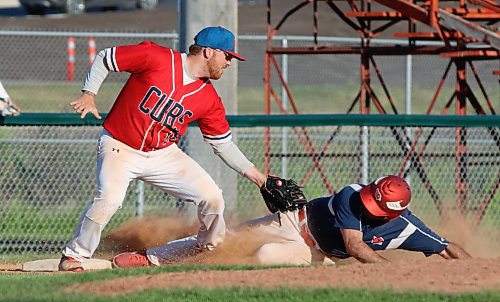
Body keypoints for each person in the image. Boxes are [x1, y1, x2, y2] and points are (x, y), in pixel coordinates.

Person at [59, 26, 275, 271]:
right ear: (208, 52)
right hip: (120, 145)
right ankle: (74, 255)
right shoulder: (156, 57)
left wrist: (260, 179)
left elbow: (222, 143)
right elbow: (106, 57)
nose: (229, 62)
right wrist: (89, 94)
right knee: (109, 199)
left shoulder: (209, 99)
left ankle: (186, 253)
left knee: (212, 198)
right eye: (227, 56)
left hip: (162, 154)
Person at [112, 175, 471, 268]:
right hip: (291, 222)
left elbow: (447, 248)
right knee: (223, 237)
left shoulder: (407, 227)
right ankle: (154, 257)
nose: (366, 206)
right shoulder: (351, 194)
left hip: (317, 254)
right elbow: (355, 245)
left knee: (267, 256)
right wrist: (392, 271)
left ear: (394, 214)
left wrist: (477, 274)